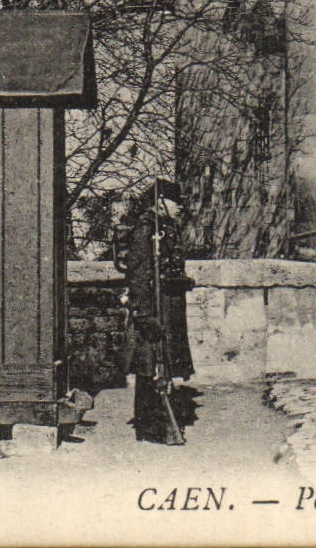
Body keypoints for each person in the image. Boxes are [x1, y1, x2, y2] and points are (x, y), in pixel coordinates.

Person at [114, 179, 195, 445]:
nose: (179, 207)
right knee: (150, 366)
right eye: (175, 201)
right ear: (160, 202)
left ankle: (158, 425)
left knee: (163, 365)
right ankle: (151, 427)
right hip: (153, 308)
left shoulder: (166, 228)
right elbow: (138, 274)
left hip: (167, 307)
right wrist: (145, 314)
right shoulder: (146, 229)